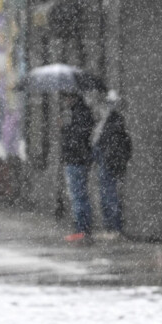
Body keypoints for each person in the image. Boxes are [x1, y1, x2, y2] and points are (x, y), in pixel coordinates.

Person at [92, 90, 132, 240]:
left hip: (109, 163)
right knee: (106, 195)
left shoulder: (114, 121)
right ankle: (110, 228)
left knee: (110, 196)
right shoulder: (108, 121)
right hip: (107, 162)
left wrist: (110, 158)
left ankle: (113, 228)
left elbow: (115, 144)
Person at [60, 92, 96, 242]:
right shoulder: (80, 113)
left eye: (67, 98)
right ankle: (83, 228)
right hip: (78, 159)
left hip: (76, 160)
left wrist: (65, 129)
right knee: (79, 195)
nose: (65, 101)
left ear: (73, 98)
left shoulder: (79, 114)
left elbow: (77, 138)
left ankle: (81, 229)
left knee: (77, 195)